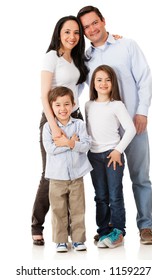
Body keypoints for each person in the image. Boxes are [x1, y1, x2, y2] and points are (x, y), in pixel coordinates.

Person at [77, 5, 152, 244]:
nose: (92, 29)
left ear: (103, 20)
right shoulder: (86, 58)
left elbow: (144, 78)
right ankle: (111, 229)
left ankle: (146, 227)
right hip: (105, 136)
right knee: (107, 186)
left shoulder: (127, 45)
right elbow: (78, 89)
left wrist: (142, 112)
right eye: (86, 27)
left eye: (94, 22)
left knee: (140, 178)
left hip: (134, 125)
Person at [31, 15, 89, 245]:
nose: (72, 37)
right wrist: (53, 126)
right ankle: (36, 225)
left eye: (76, 32)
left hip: (75, 117)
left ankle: (69, 233)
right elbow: (44, 95)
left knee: (73, 174)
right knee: (51, 174)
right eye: (67, 32)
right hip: (53, 118)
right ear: (58, 33)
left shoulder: (77, 58)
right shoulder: (51, 57)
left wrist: (114, 38)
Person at [86, 65, 136, 248]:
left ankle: (118, 231)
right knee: (100, 195)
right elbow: (88, 131)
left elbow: (130, 129)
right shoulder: (88, 105)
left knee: (115, 195)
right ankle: (103, 230)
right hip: (94, 156)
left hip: (112, 155)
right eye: (99, 79)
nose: (103, 83)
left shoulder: (116, 105)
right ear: (93, 83)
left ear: (113, 82)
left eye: (107, 79)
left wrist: (118, 150)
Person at [42, 86, 92, 252]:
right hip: (56, 177)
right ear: (51, 107)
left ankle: (78, 240)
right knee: (59, 210)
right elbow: (51, 149)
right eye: (58, 105)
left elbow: (85, 146)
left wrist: (67, 142)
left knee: (78, 209)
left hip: (76, 176)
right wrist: (70, 143)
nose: (62, 109)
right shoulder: (48, 128)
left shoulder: (79, 124)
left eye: (66, 104)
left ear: (73, 105)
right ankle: (60, 240)